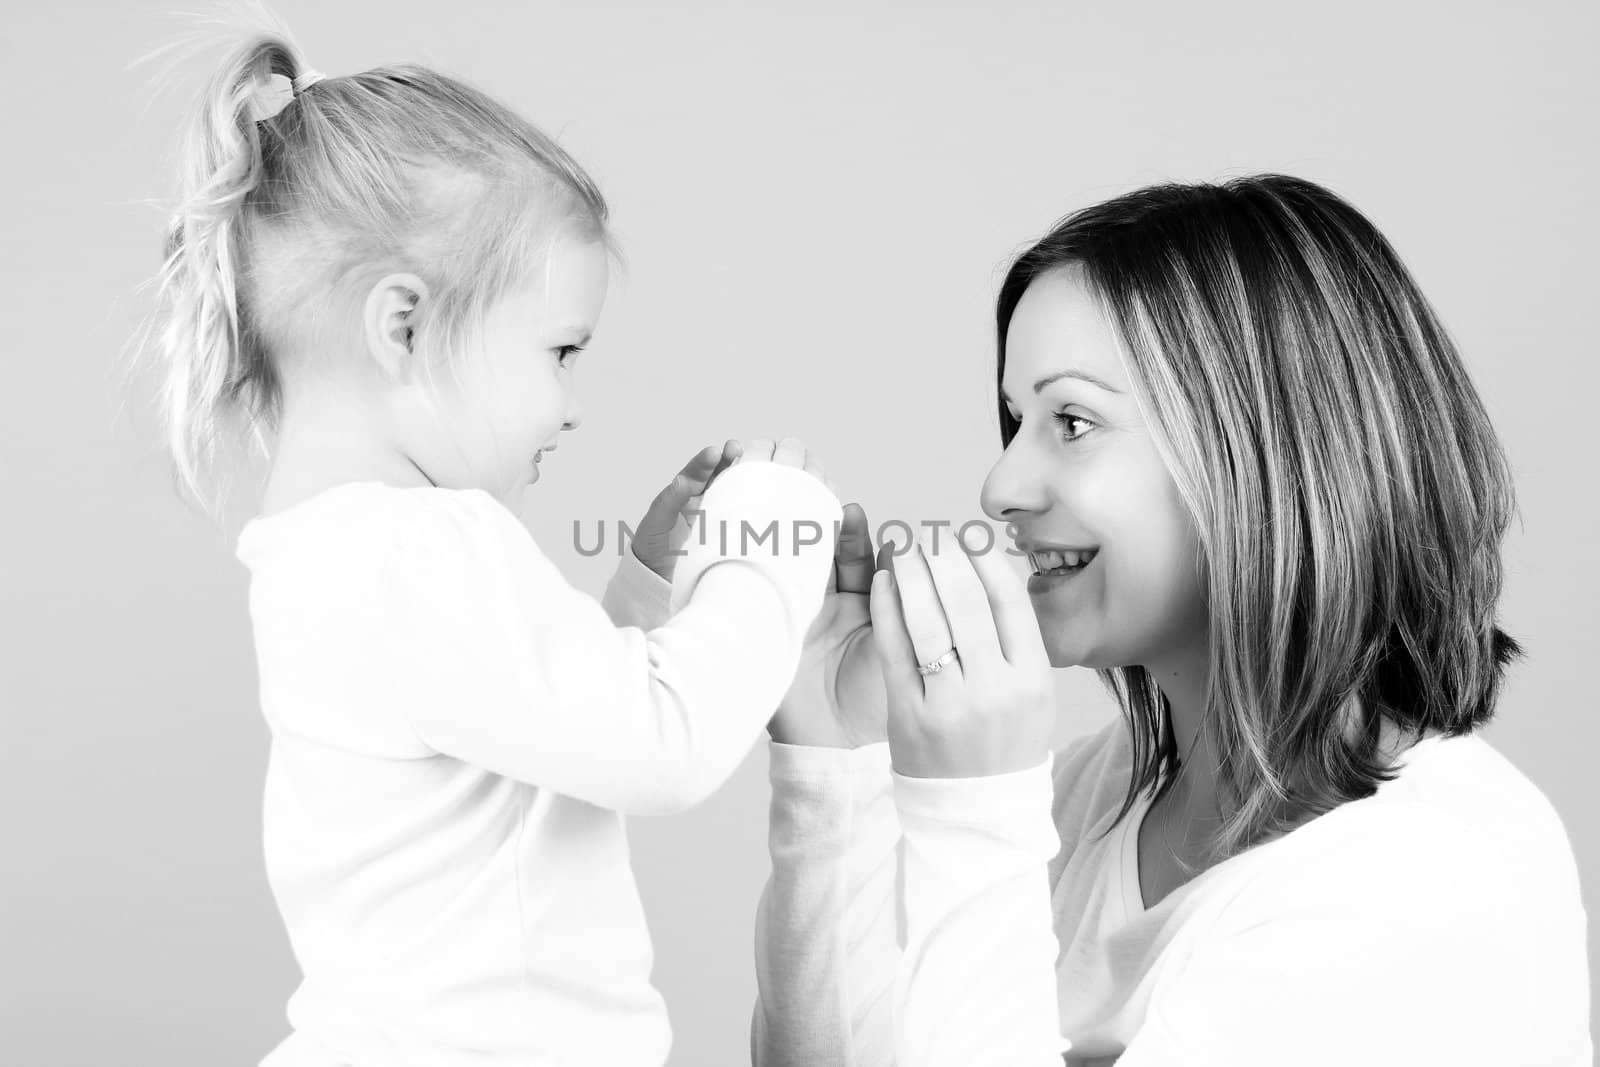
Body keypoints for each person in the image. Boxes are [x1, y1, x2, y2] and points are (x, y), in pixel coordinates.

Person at [752, 174, 1592, 1066]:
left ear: (1263, 458)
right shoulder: (1088, 796)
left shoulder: (1430, 880)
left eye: (1072, 419)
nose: (1000, 485)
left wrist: (972, 813)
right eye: (1013, 419)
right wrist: (834, 759)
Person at [140, 24, 842, 1067]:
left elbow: (531, 739)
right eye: (559, 350)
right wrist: (769, 538)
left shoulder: (330, 556)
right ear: (405, 328)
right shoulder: (417, 547)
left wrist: (644, 589)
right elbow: (660, 748)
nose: (569, 405)